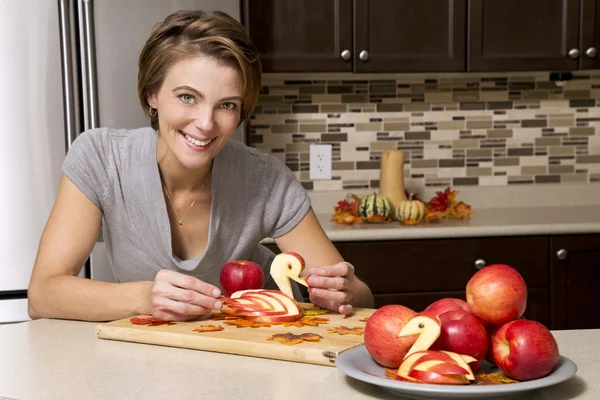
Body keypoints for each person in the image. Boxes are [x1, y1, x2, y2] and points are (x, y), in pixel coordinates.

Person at [27, 10, 374, 323]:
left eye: (226, 105)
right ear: (152, 94)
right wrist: (144, 297)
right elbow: (42, 295)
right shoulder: (101, 158)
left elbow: (361, 299)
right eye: (187, 97)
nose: (206, 123)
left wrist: (343, 290)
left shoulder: (265, 179)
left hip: (258, 347)